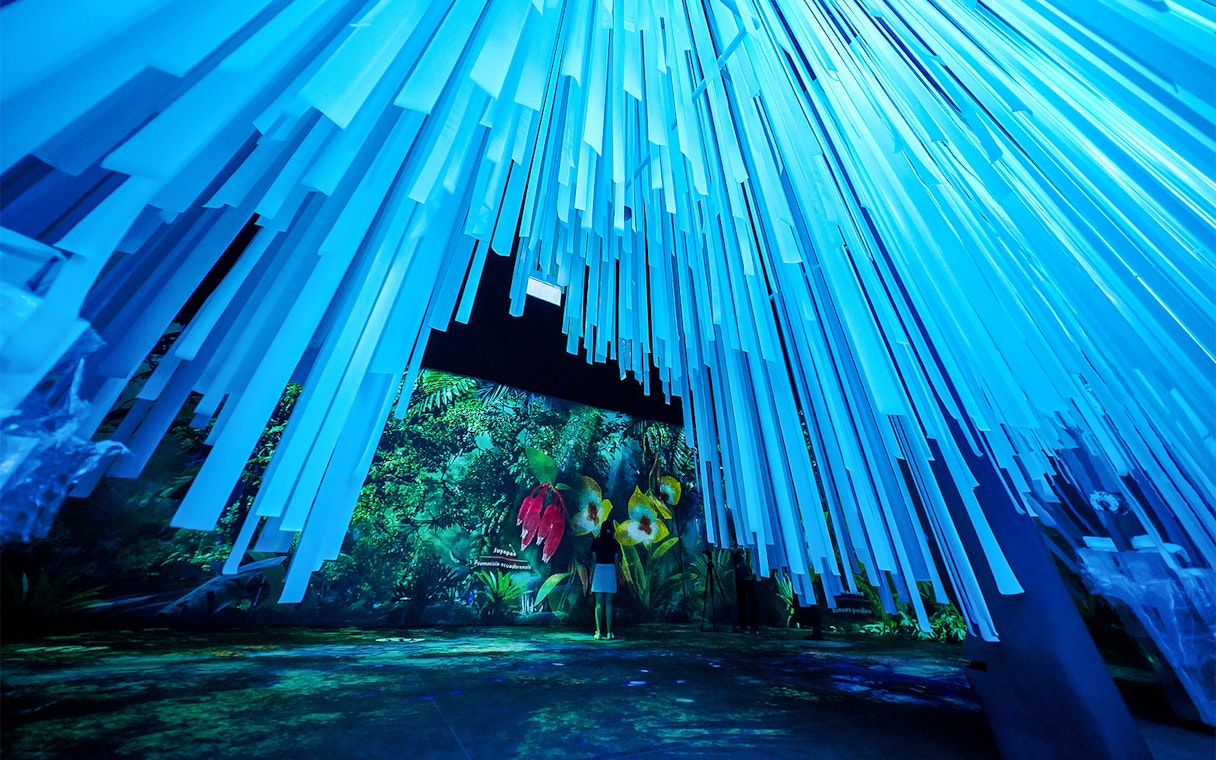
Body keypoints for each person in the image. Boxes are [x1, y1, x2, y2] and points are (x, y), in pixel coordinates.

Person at [589, 522, 622, 640]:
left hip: (598, 570)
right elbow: (617, 562)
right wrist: (619, 576)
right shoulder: (615, 544)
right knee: (609, 603)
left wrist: (591, 576)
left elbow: (593, 561)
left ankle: (598, 632)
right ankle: (609, 632)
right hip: (610, 570)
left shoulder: (596, 542)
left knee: (598, 603)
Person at [732, 548, 759, 633]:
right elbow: (736, 563)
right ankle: (743, 626)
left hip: (750, 578)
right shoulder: (736, 550)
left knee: (752, 603)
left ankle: (754, 626)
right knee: (742, 603)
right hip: (741, 578)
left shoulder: (750, 548)